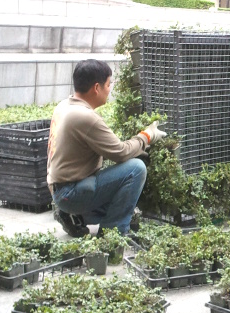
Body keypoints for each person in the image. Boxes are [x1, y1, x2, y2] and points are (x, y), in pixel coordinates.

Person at [47, 59, 165, 237]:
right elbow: (121, 152)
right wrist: (146, 136)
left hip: (59, 189)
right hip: (71, 192)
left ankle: (75, 216)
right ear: (97, 87)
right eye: (108, 85)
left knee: (128, 208)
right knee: (136, 168)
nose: (109, 90)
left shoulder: (64, 106)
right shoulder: (85, 117)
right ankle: (112, 234)